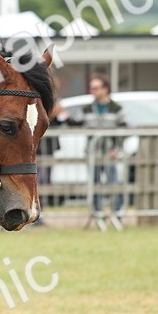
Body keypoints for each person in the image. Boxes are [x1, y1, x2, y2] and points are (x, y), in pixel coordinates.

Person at [55, 74, 126, 216]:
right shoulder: (87, 109)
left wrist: (116, 149)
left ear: (105, 89)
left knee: (114, 184)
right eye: (91, 88)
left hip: (109, 153)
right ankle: (97, 213)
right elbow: (77, 124)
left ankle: (117, 213)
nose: (92, 91)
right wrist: (64, 115)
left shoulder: (116, 108)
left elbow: (123, 130)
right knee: (94, 184)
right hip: (92, 153)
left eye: (96, 88)